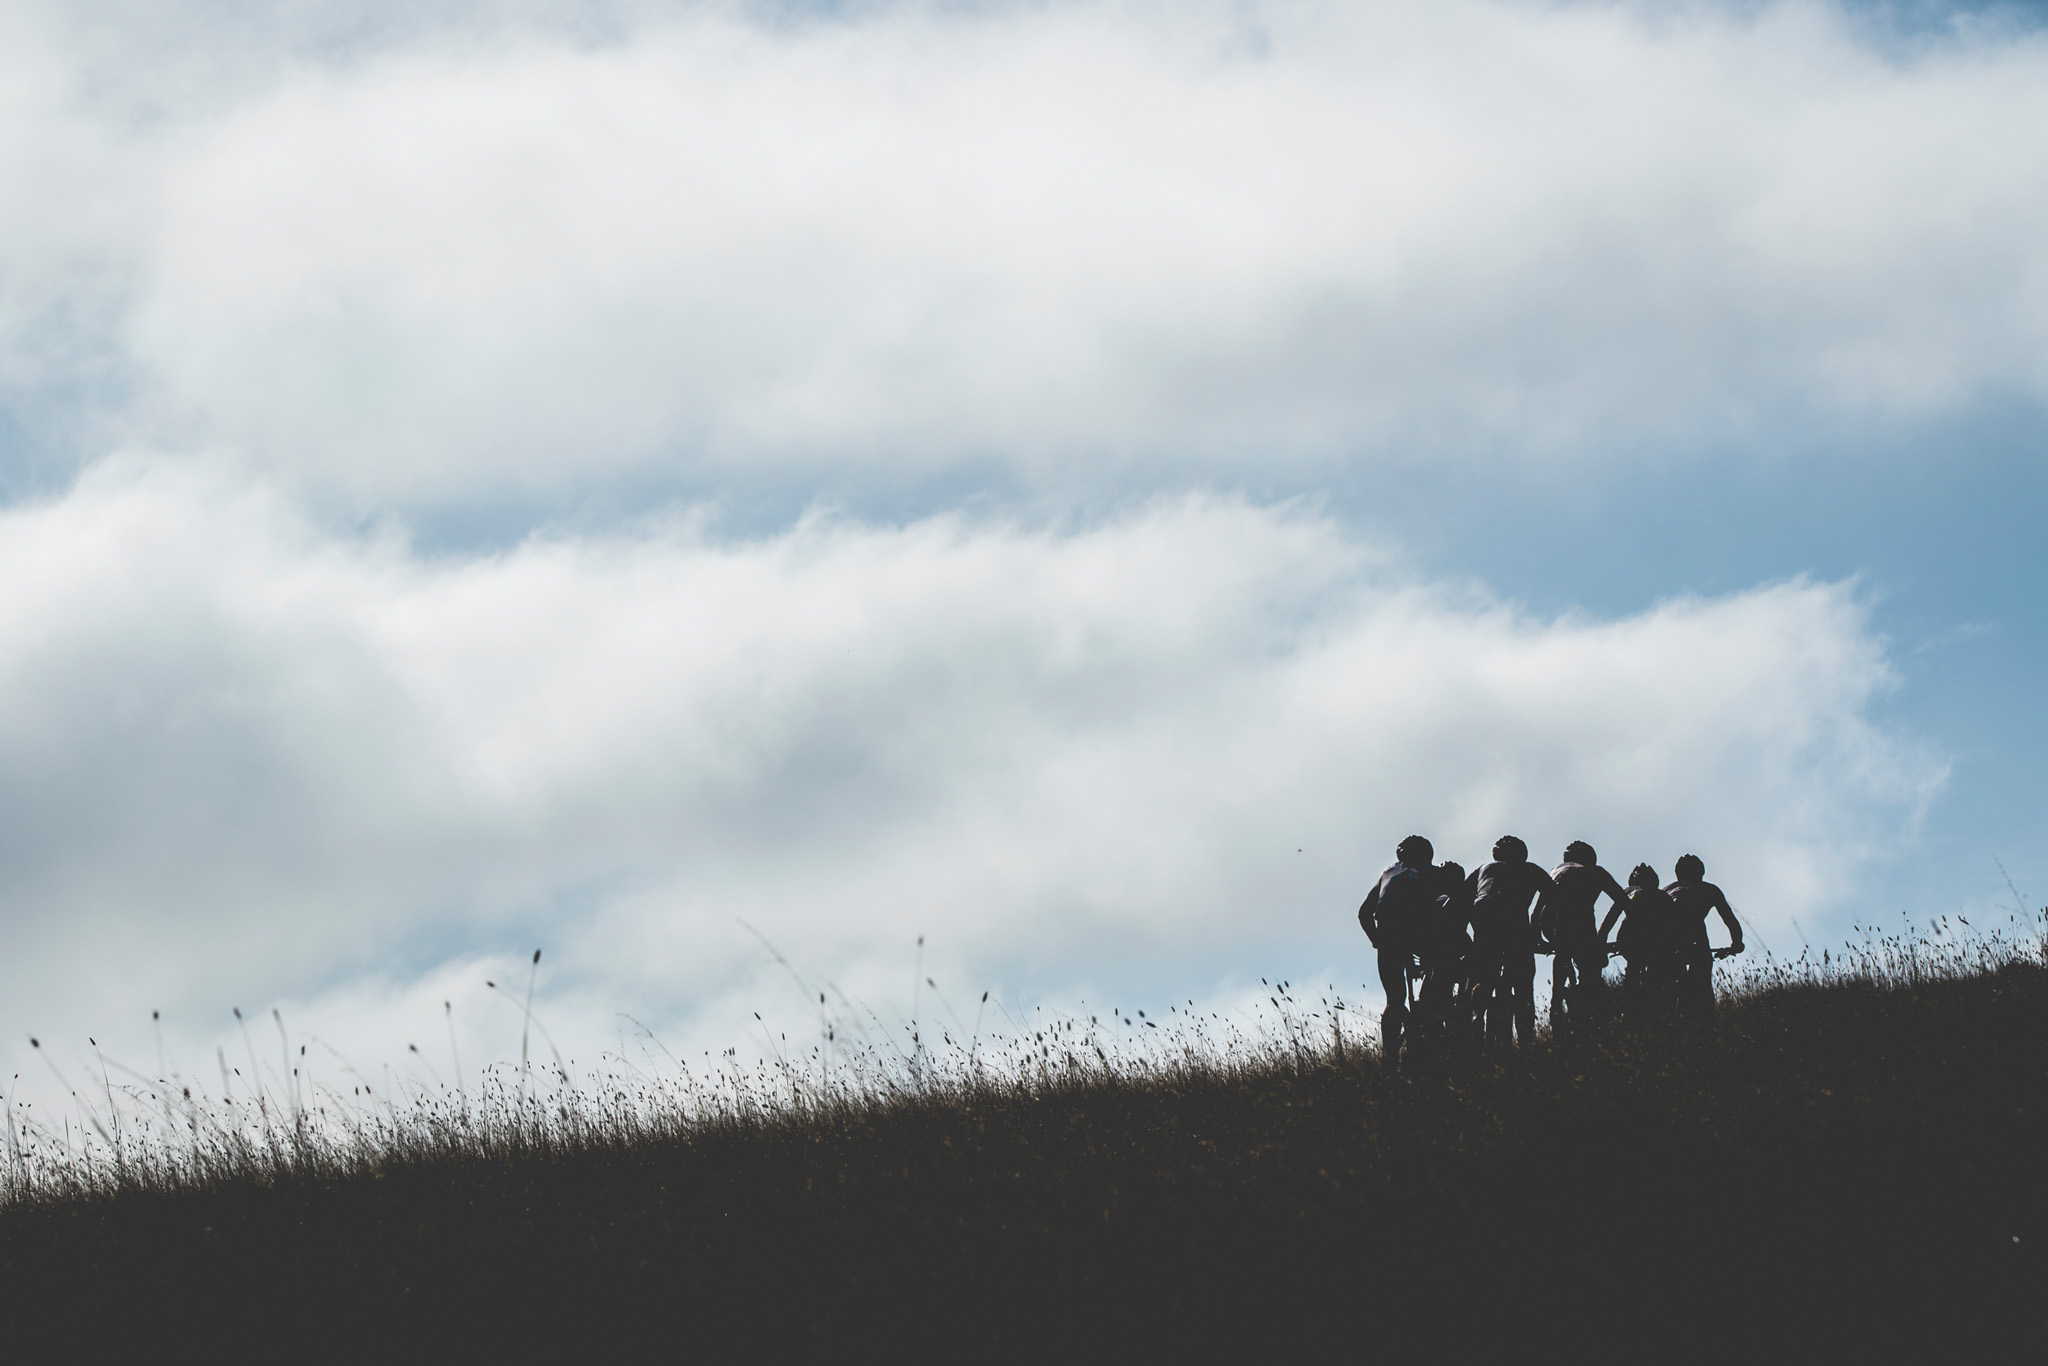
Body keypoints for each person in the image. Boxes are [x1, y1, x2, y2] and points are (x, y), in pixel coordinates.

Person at [1358, 835, 1441, 1068]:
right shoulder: (1432, 873)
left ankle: (1390, 1058)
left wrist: (1377, 941)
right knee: (1435, 985)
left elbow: (1364, 912)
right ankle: (1430, 1030)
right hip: (1421, 936)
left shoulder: (1388, 872)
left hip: (1389, 939)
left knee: (1394, 1000)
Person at [1464, 835, 1555, 1046]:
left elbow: (1460, 900)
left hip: (1484, 919)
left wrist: (1471, 935)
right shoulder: (1530, 869)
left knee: (1485, 979)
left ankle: (1477, 1017)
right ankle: (1526, 1040)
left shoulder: (1483, 869)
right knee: (1523, 985)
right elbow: (1554, 897)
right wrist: (1539, 931)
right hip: (1515, 923)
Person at [1542, 841, 1631, 1031]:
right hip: (1585, 929)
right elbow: (1624, 903)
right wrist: (1604, 934)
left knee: (1560, 972)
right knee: (1591, 981)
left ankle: (1557, 1007)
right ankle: (1591, 1019)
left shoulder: (1555, 871)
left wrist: (1547, 936)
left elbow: (1541, 911)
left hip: (1560, 930)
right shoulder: (1596, 872)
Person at [1665, 853, 1745, 1019]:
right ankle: (1705, 1023)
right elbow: (1729, 919)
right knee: (1702, 990)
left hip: (1669, 940)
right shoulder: (1709, 889)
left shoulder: (1667, 890)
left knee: (1672, 988)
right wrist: (1737, 942)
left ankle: (1671, 1021)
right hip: (1696, 939)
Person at [1611, 862, 1680, 1016]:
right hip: (1660, 944)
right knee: (1661, 980)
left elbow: (1612, 918)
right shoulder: (1664, 895)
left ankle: (1630, 1014)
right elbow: (1676, 922)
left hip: (1632, 942)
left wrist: (1602, 940)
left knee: (1632, 977)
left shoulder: (1629, 892)